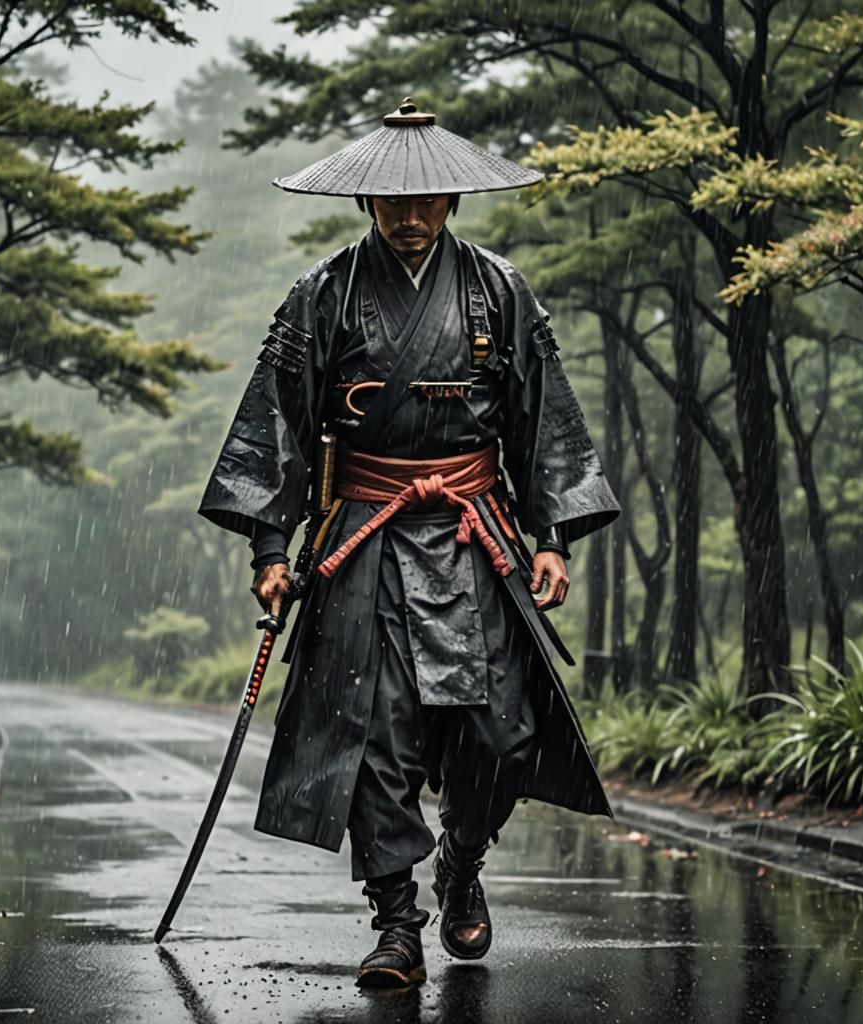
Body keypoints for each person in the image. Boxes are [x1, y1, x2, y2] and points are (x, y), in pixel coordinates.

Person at [198, 98, 620, 988]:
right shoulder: (325, 294)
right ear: (368, 202)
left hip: (475, 531)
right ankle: (397, 923)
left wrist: (551, 536)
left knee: (503, 733)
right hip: (365, 535)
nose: (412, 215)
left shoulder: (499, 291)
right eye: (395, 201)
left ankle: (462, 858)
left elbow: (541, 416)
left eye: (428, 199)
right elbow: (277, 423)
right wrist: (270, 551)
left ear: (452, 199)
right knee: (372, 734)